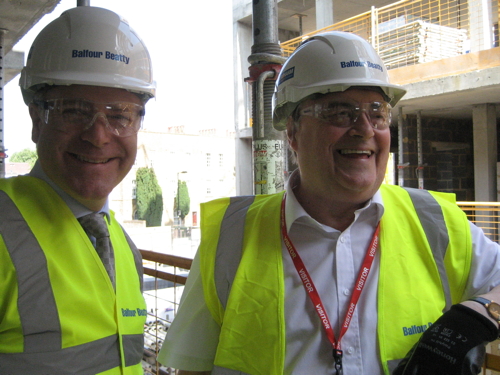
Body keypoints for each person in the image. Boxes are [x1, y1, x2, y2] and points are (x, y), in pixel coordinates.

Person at [158, 31, 500, 375]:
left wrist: (476, 315)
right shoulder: (231, 239)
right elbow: (194, 368)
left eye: (377, 112)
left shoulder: (433, 221)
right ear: (292, 131)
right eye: (340, 112)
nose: (365, 128)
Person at [0, 6, 155, 375]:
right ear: (37, 120)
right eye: (72, 110)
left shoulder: (122, 245)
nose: (98, 135)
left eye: (119, 115)